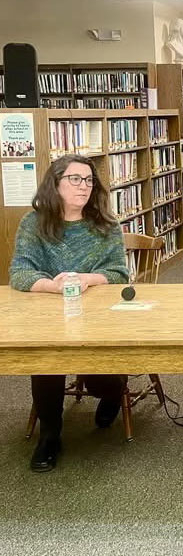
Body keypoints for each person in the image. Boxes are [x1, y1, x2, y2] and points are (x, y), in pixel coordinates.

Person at [9, 154, 130, 472]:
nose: (84, 186)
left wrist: (88, 280)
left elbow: (119, 274)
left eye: (89, 180)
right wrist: (53, 286)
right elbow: (20, 273)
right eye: (75, 179)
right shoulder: (33, 224)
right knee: (45, 361)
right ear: (55, 184)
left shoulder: (105, 224)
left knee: (95, 378)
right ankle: (49, 435)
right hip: (49, 317)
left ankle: (114, 391)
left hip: (98, 316)